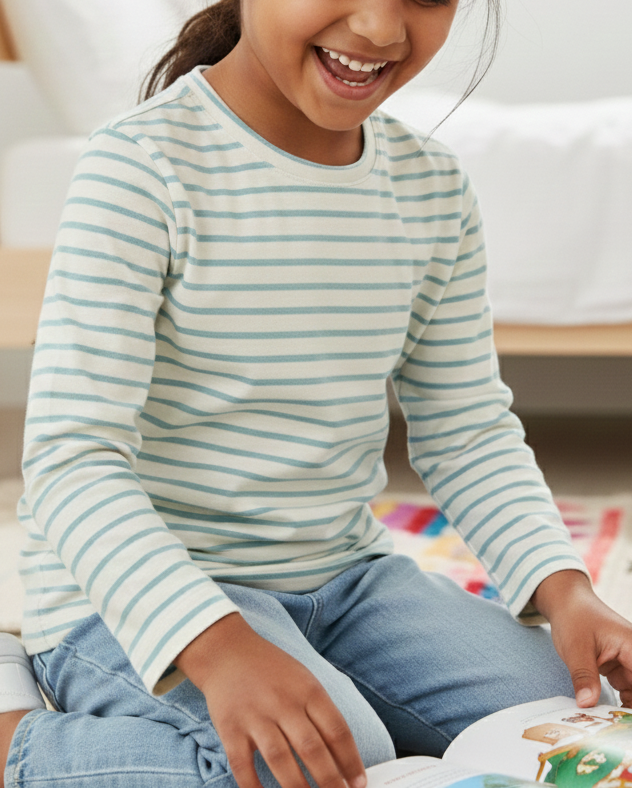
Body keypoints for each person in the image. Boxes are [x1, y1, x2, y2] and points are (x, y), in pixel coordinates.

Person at [1, 1, 632, 787]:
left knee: (564, 715)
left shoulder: (430, 185)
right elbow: (72, 460)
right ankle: (18, 738)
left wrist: (564, 588)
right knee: (318, 766)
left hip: (348, 576)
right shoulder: (141, 165)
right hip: (132, 595)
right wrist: (218, 644)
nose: (377, 28)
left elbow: (467, 430)